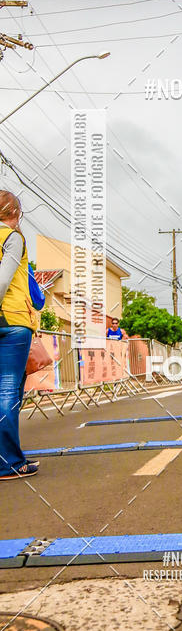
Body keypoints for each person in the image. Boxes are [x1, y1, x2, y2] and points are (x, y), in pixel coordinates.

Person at [0, 191, 39, 480]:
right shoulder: (12, 237)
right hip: (11, 321)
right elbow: (4, 278)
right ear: (15, 212)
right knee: (7, 393)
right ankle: (9, 462)